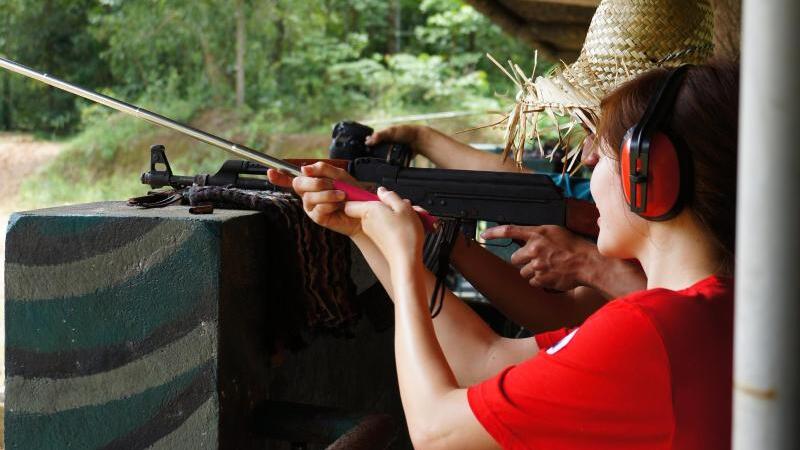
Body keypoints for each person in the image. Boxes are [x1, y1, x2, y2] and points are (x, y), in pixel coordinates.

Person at [285, 59, 738, 448]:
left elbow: (437, 433)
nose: (587, 166)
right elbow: (484, 362)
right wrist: (365, 228)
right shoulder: (710, 312)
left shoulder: (650, 330)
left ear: (648, 171)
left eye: (600, 155)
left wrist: (405, 257)